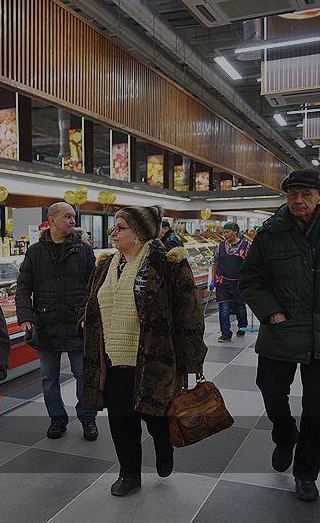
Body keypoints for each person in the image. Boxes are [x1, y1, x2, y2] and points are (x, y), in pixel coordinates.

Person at [239, 169, 320, 502]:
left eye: (306, 194)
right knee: (270, 389)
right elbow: (251, 280)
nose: (298, 200)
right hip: (282, 328)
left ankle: (306, 473)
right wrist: (272, 312)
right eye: (292, 194)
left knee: (319, 407)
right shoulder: (270, 231)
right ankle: (285, 434)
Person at [79, 206, 206, 497]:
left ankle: (163, 445)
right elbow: (88, 300)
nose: (113, 232)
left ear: (139, 233)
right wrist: (84, 321)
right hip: (112, 361)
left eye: (120, 227)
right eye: (114, 227)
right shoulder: (105, 265)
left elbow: (189, 313)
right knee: (121, 420)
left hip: (154, 359)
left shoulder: (168, 264)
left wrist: (191, 359)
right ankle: (129, 474)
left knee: (155, 417)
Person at [16, 202, 99, 441]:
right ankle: (57, 419)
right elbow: (23, 287)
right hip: (45, 322)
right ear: (52, 220)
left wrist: (90, 316)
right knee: (49, 378)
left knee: (83, 375)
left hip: (77, 323)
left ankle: (88, 418)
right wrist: (25, 317)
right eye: (67, 216)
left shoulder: (83, 251)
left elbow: (94, 287)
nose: (73, 221)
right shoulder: (35, 252)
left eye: (74, 216)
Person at [210, 222, 250, 342]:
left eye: (227, 232)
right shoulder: (220, 245)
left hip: (239, 283)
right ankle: (226, 333)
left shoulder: (246, 246)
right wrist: (212, 279)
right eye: (224, 232)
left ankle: (242, 326)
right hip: (222, 283)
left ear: (235, 232)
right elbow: (215, 263)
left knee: (240, 308)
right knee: (224, 308)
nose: (225, 235)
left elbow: (250, 265)